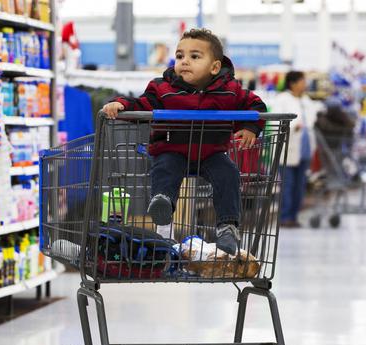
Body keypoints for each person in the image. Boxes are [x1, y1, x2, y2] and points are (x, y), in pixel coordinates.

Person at [101, 28, 266, 255]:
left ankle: (227, 227)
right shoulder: (163, 88)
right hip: (172, 149)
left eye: (194, 57)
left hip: (211, 153)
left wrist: (250, 127)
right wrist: (121, 104)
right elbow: (143, 104)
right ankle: (163, 204)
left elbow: (255, 105)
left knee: (228, 173)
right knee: (165, 167)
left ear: (215, 67)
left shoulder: (230, 91)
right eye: (180, 56)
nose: (184, 61)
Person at [270, 71, 320, 227]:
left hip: (305, 150)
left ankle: (294, 216)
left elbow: (313, 120)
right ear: (292, 83)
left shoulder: (306, 100)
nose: (305, 84)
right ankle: (285, 217)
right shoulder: (281, 100)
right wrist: (292, 126)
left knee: (300, 185)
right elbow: (274, 123)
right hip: (287, 150)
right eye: (302, 81)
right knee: (287, 184)